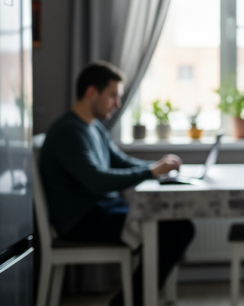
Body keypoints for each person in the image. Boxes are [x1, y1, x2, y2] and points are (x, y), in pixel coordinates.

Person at [38, 61, 194, 306]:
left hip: (101, 212)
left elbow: (121, 162)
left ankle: (135, 298)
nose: (117, 104)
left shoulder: (93, 128)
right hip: (82, 221)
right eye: (113, 96)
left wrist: (156, 167)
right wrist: (151, 172)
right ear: (92, 92)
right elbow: (97, 181)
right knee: (177, 228)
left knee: (175, 225)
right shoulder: (69, 131)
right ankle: (131, 301)